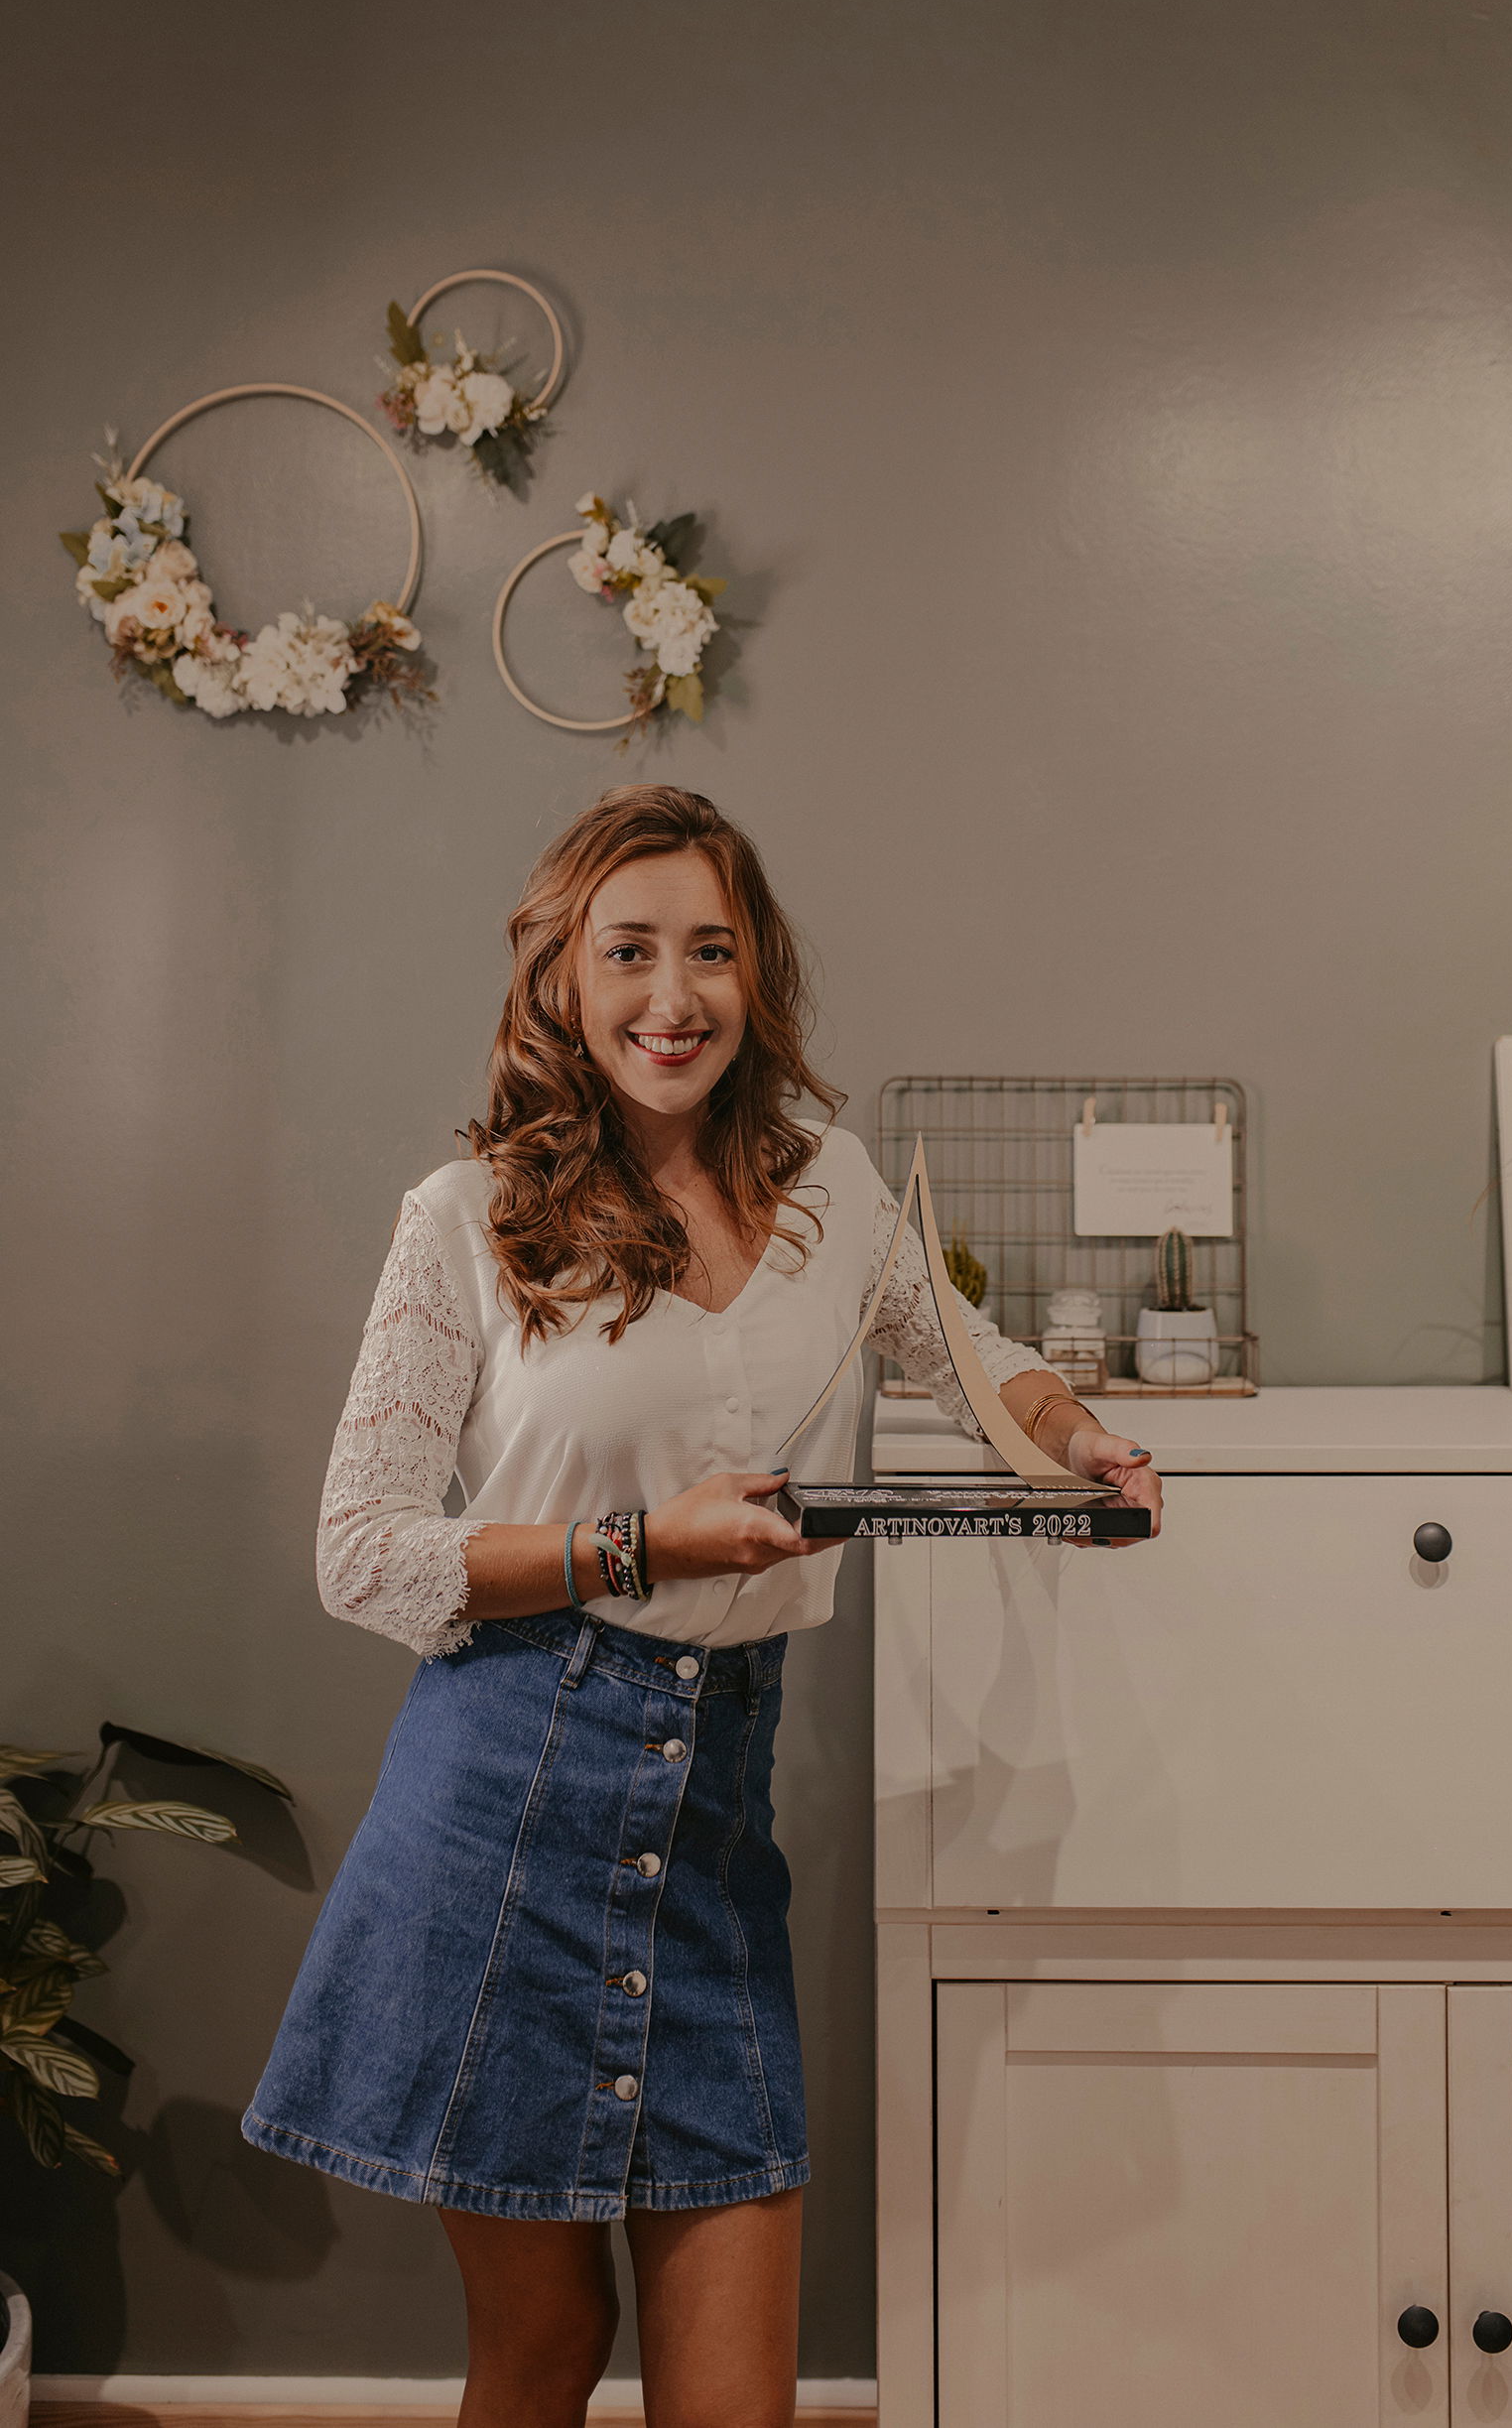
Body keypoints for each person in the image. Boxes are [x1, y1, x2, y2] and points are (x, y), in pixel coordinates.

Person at [240, 784, 1163, 2428]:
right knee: (539, 2347)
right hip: (507, 1804)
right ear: (564, 983)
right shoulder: (465, 1222)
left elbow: (967, 1362)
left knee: (741, 2393)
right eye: (631, 952)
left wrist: (1085, 1438)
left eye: (712, 952)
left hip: (716, 1828)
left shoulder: (832, 1193)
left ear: (760, 975)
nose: (674, 997)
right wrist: (634, 1544)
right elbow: (363, 1551)